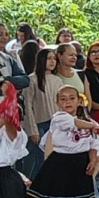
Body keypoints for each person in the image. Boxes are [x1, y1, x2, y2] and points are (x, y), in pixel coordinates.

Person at [26, 85, 99, 198]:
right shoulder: (59, 117)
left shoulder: (89, 122)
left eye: (71, 98)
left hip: (80, 163)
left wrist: (92, 160)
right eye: (63, 98)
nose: (67, 101)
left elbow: (94, 143)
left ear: (79, 101)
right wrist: (92, 127)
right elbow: (74, 123)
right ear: (57, 103)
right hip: (59, 162)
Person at [19, 48, 60, 180]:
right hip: (38, 125)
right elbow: (27, 106)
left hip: (53, 125)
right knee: (36, 161)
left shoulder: (57, 80)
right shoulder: (32, 79)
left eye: (54, 58)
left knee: (51, 160)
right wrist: (32, 130)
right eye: (49, 58)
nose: (52, 61)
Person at [54, 43, 89, 107]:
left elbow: (88, 99)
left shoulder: (81, 74)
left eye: (75, 55)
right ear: (59, 56)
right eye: (70, 55)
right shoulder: (53, 76)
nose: (74, 58)